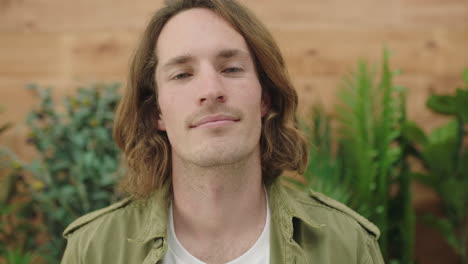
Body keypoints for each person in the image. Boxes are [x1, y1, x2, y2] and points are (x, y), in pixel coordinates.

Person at [61, 0, 384, 263]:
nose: (211, 90)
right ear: (156, 111)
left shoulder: (346, 244)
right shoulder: (94, 250)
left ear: (264, 98)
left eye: (231, 68)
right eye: (182, 74)